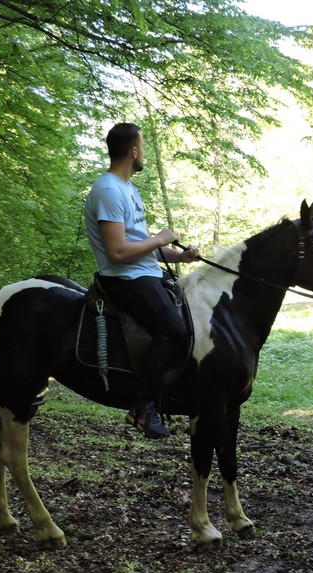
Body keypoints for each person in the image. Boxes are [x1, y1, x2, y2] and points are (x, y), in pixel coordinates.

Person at [84, 122, 199, 439]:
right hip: (124, 278)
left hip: (144, 273)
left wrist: (179, 257)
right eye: (143, 148)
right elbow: (118, 252)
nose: (144, 154)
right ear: (134, 151)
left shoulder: (128, 190)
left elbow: (142, 246)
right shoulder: (108, 191)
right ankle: (143, 408)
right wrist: (160, 237)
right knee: (175, 332)